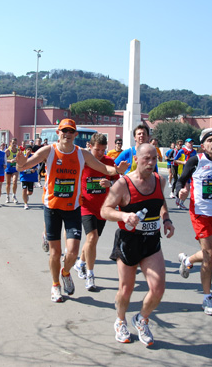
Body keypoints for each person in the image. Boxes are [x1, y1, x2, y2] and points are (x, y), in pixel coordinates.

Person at [16, 119, 128, 303]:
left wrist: (117, 169)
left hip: (73, 208)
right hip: (52, 208)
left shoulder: (82, 154)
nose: (67, 134)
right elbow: (25, 165)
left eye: (70, 131)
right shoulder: (49, 151)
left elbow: (103, 168)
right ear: (58, 133)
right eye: (63, 131)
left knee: (73, 252)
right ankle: (55, 285)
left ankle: (66, 272)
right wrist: (21, 163)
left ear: (75, 135)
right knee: (54, 252)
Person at [101, 143, 174, 346]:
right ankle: (120, 320)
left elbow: (160, 202)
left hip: (151, 241)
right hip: (128, 242)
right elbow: (105, 210)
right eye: (146, 159)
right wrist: (123, 215)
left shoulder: (161, 180)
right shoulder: (123, 184)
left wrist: (166, 219)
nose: (151, 163)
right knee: (126, 289)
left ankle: (142, 319)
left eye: (154, 159)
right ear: (136, 159)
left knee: (158, 288)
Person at [175, 128, 212, 316]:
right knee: (209, 254)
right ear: (203, 145)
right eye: (209, 140)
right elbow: (180, 181)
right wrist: (181, 192)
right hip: (200, 212)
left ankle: (188, 259)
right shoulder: (195, 161)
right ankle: (207, 297)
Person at [73, 134, 119, 291]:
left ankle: (80, 263)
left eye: (103, 150)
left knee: (93, 240)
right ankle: (90, 274)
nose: (100, 153)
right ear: (89, 146)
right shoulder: (82, 161)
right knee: (91, 237)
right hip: (85, 206)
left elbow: (118, 181)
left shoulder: (109, 162)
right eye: (96, 149)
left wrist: (110, 183)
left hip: (103, 207)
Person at [173, 138, 195, 209]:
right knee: (182, 187)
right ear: (186, 144)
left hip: (190, 172)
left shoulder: (194, 152)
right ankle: (178, 198)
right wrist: (183, 162)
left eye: (191, 142)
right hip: (182, 171)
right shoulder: (182, 151)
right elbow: (175, 160)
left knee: (187, 189)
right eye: (189, 142)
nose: (190, 144)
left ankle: (181, 202)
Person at [19, 146, 39, 210]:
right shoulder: (22, 157)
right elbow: (18, 165)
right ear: (25, 150)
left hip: (31, 177)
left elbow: (38, 166)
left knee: (30, 192)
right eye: (27, 149)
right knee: (24, 189)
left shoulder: (34, 157)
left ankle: (26, 195)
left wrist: (34, 169)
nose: (28, 151)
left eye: (30, 150)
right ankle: (25, 203)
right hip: (24, 176)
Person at [5, 138, 20, 204]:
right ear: (10, 143)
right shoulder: (7, 151)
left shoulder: (18, 151)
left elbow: (20, 159)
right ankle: (7, 196)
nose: (14, 144)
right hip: (8, 168)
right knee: (8, 183)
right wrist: (10, 161)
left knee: (14, 181)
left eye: (15, 143)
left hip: (15, 168)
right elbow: (4, 160)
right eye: (13, 143)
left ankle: (14, 195)